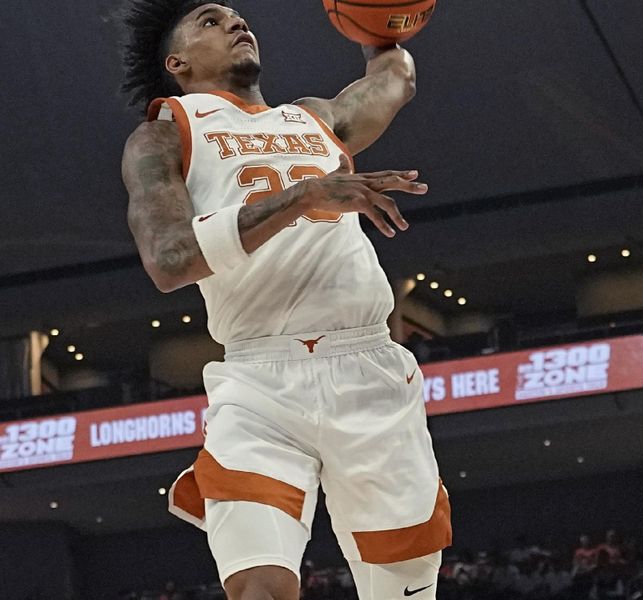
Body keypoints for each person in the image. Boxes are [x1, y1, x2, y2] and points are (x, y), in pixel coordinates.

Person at [119, 2, 451, 600]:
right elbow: (169, 261)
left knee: (405, 592)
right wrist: (304, 195)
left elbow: (395, 79)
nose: (237, 24)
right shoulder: (165, 133)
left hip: (370, 369)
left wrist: (383, 26)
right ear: (178, 63)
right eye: (211, 22)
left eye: (238, 17)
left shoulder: (315, 119)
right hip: (258, 386)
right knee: (259, 588)